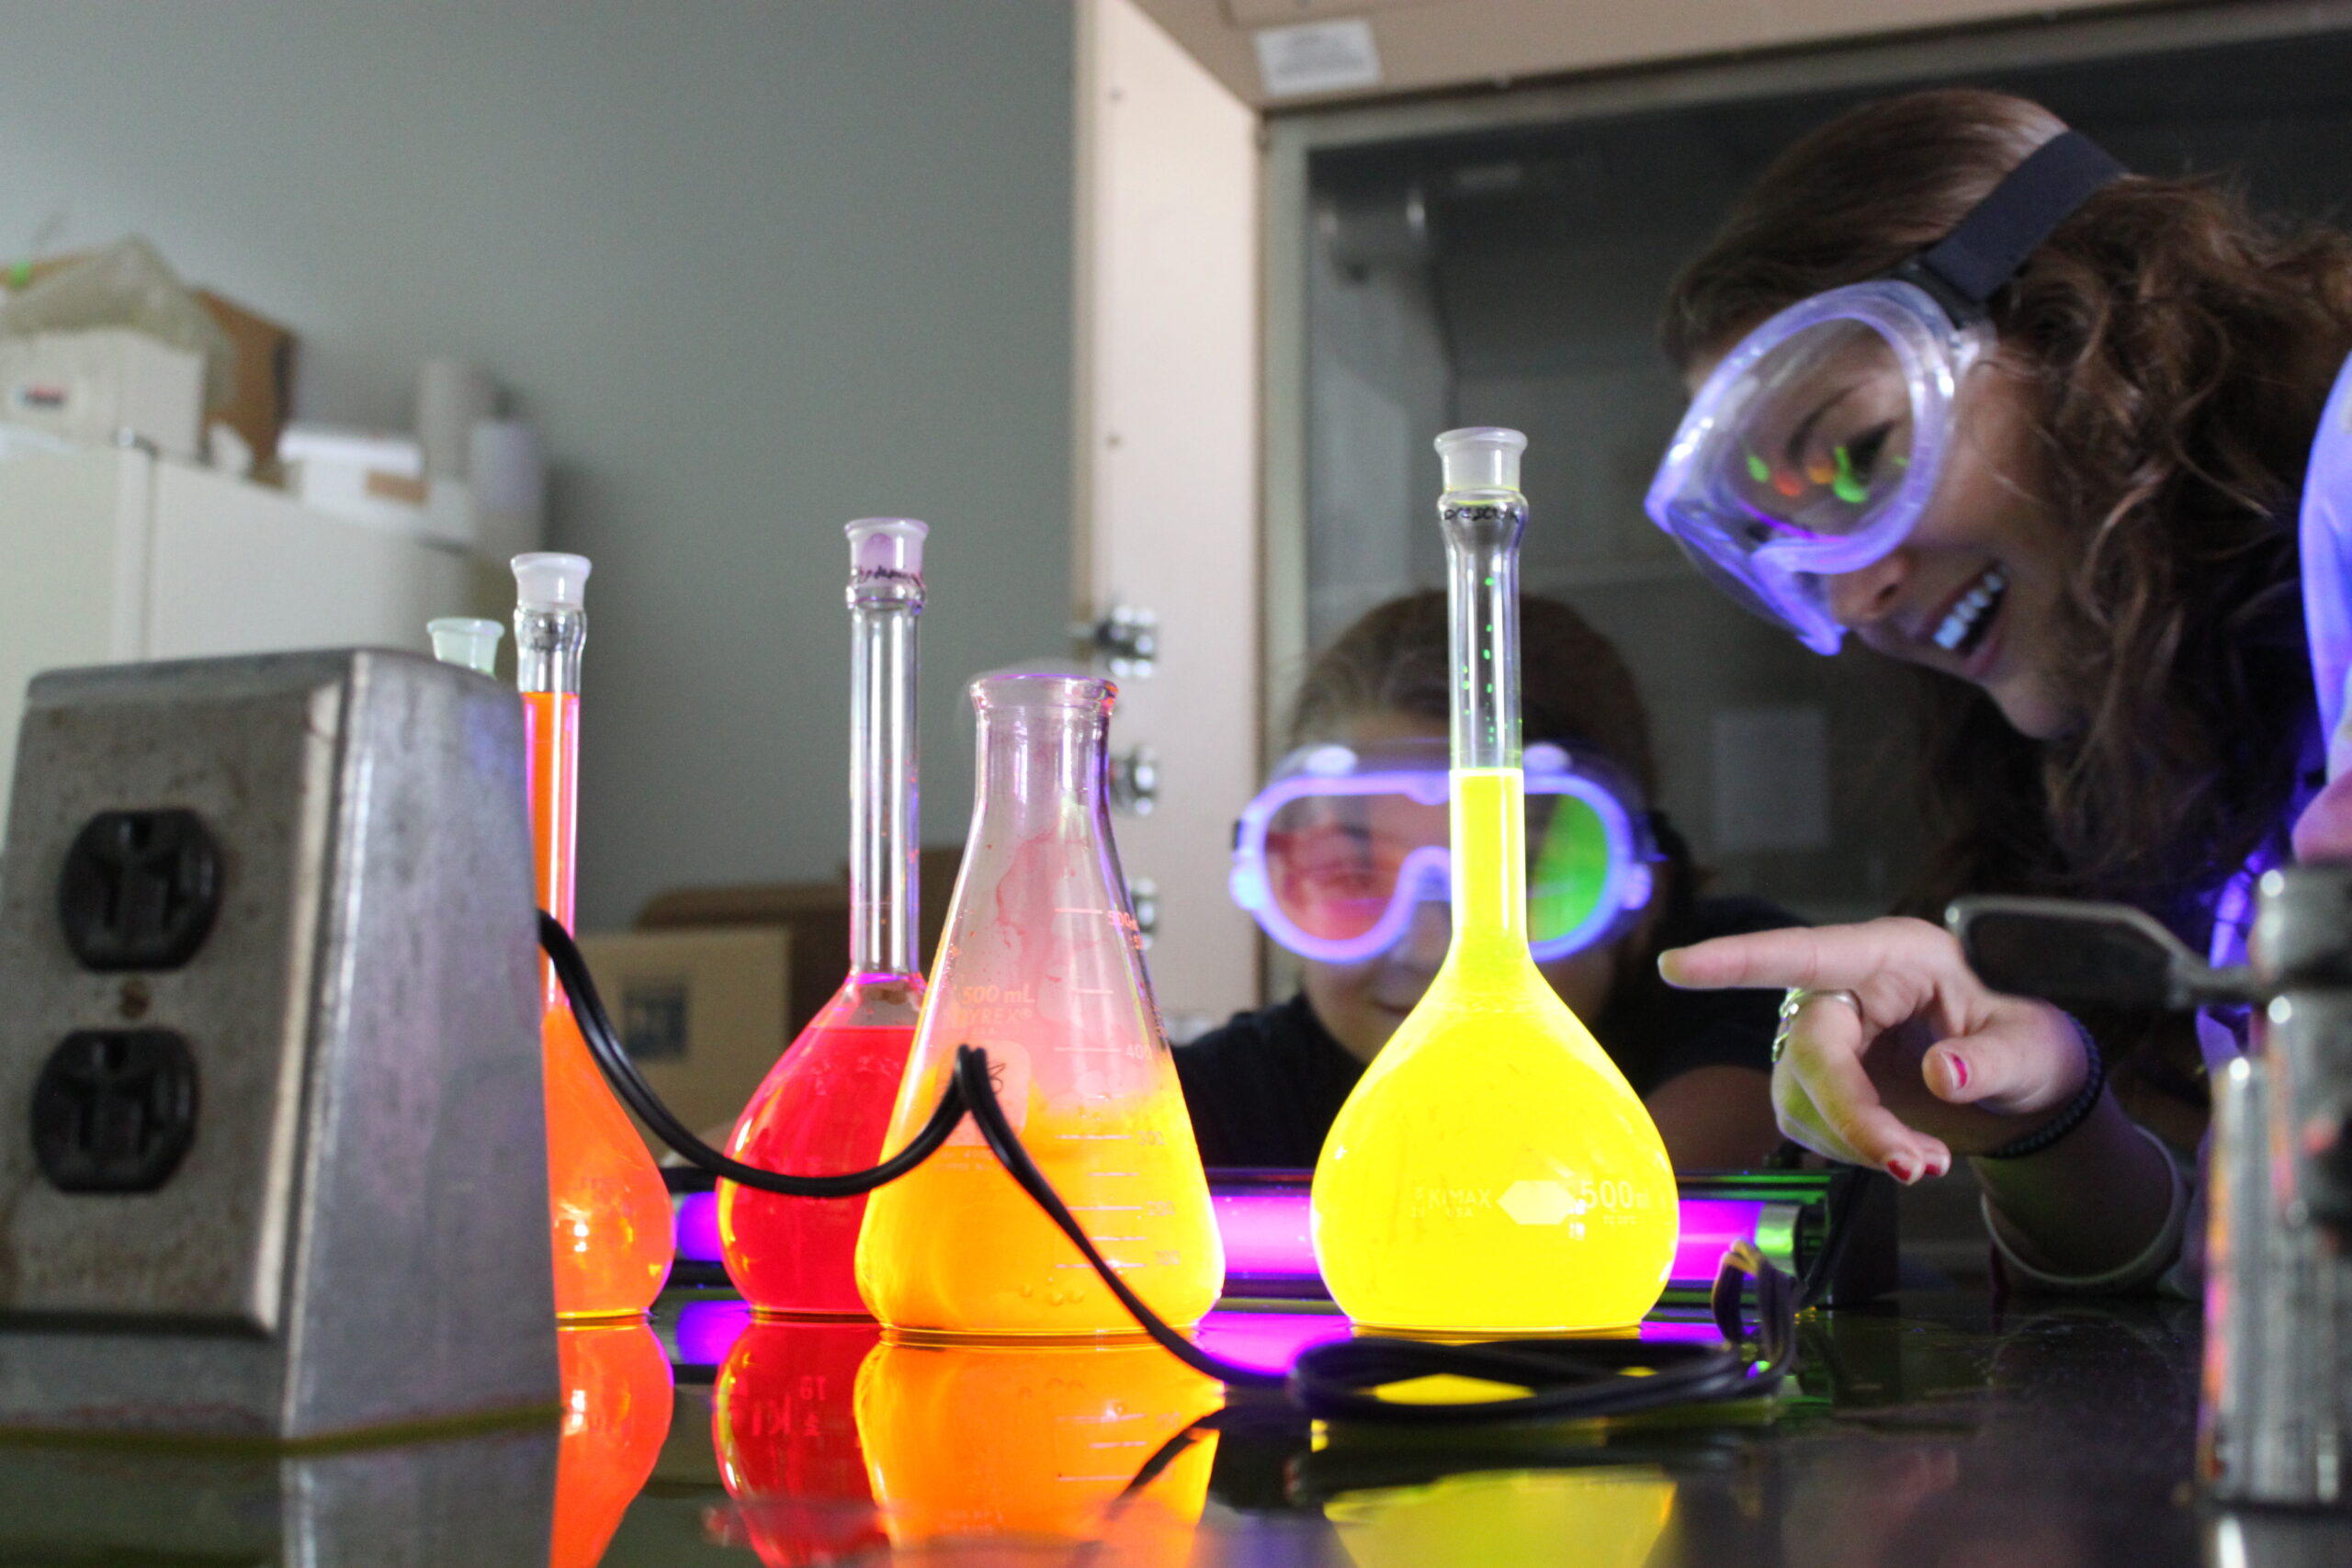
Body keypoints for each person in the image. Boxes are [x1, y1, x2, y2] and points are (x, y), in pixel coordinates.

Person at [1643, 87, 2352, 1289]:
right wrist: (2042, 1111)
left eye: (1863, 453)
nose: (1855, 596)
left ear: (2082, 316)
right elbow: (2240, 1275)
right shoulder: (2218, 767)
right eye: (1792, 539)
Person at [1175, 590, 1793, 1171]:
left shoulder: (1754, 989)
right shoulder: (1231, 1091)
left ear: (1644, 894)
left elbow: (1620, 1202)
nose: (1425, 952)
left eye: (1505, 878)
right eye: (1355, 874)